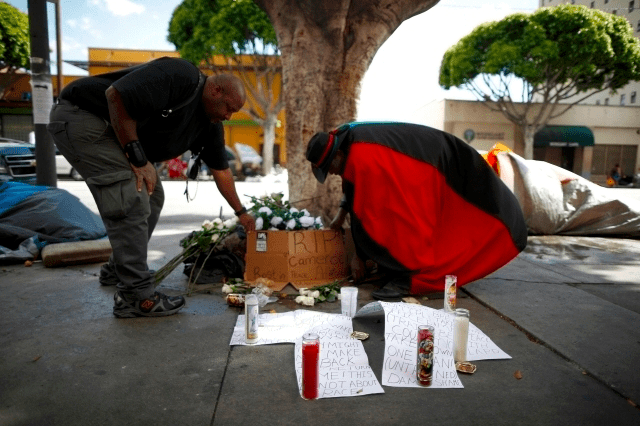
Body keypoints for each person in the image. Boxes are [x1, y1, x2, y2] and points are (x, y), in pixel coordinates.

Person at [47, 57, 255, 318]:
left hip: (111, 131)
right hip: (83, 116)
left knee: (152, 194)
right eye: (229, 108)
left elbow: (222, 172)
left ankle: (118, 269)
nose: (228, 116)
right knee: (132, 194)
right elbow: (116, 95)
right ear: (216, 90)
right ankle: (135, 296)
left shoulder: (209, 125)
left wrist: (242, 213)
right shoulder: (182, 75)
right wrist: (138, 158)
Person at [305, 122, 528, 300]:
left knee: (406, 224)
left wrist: (359, 256)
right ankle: (398, 269)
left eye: (329, 167)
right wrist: (340, 215)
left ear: (338, 155)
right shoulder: (347, 140)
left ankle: (410, 278)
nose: (331, 173)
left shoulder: (363, 159)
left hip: (429, 165)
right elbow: (353, 189)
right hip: (421, 159)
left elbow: (366, 214)